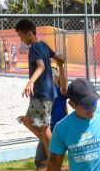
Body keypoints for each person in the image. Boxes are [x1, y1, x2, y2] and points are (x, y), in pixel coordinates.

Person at [14, 18, 65, 160]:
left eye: (21, 36)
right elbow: (58, 59)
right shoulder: (43, 45)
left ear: (29, 34)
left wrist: (30, 82)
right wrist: (61, 62)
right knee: (28, 121)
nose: (21, 40)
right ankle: (52, 148)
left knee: (44, 128)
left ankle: (53, 158)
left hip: (42, 93)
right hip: (44, 93)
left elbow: (41, 66)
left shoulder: (35, 47)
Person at [22, 61, 69, 171]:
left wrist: (60, 66)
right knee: (39, 161)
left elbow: (64, 84)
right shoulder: (42, 95)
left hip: (57, 134)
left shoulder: (60, 92)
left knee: (56, 162)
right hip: (46, 133)